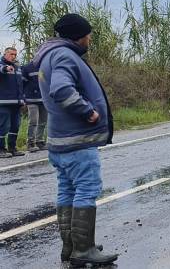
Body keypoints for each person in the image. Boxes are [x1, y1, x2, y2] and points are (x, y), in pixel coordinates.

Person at [33, 13, 118, 266]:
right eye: (88, 34)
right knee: (87, 189)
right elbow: (60, 89)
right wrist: (88, 111)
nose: (90, 39)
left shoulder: (50, 54)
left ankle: (70, 247)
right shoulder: (63, 55)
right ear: (79, 36)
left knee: (67, 189)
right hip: (76, 141)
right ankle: (84, 249)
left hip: (60, 141)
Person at [0, 47, 25, 158]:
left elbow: (21, 85)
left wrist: (22, 99)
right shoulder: (2, 65)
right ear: (5, 54)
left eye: (15, 54)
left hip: (17, 103)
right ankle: (1, 149)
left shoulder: (18, 68)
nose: (13, 56)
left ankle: (12, 148)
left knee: (15, 126)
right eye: (11, 54)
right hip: (4, 103)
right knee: (3, 127)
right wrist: (5, 68)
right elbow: (2, 69)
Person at [22, 60, 47, 152]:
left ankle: (39, 141)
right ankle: (30, 143)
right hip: (31, 99)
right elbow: (22, 83)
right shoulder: (27, 67)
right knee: (33, 121)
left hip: (44, 99)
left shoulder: (45, 66)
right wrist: (23, 98)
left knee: (43, 121)